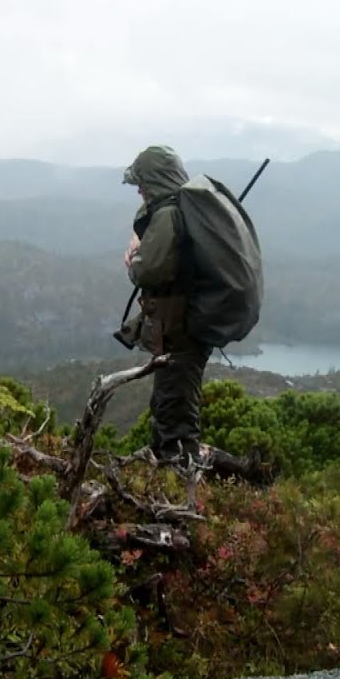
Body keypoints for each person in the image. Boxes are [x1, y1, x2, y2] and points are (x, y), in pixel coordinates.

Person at [121, 145, 211, 467]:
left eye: (142, 184)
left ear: (156, 181)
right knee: (169, 409)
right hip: (186, 332)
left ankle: (181, 498)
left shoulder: (169, 214)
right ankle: (171, 484)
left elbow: (147, 271)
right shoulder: (184, 210)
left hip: (180, 336)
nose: (140, 191)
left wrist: (135, 255)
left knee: (174, 421)